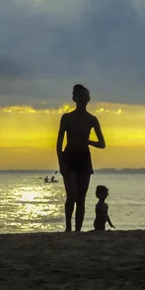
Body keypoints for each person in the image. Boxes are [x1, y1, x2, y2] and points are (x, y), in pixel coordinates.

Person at [56, 84, 106, 232]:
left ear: (88, 99)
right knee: (71, 196)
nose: (82, 99)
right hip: (69, 157)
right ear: (74, 99)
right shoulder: (66, 118)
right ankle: (68, 228)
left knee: (81, 199)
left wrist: (89, 141)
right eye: (79, 97)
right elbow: (59, 143)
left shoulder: (92, 119)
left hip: (84, 158)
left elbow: (102, 143)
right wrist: (61, 164)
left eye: (84, 97)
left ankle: (78, 229)